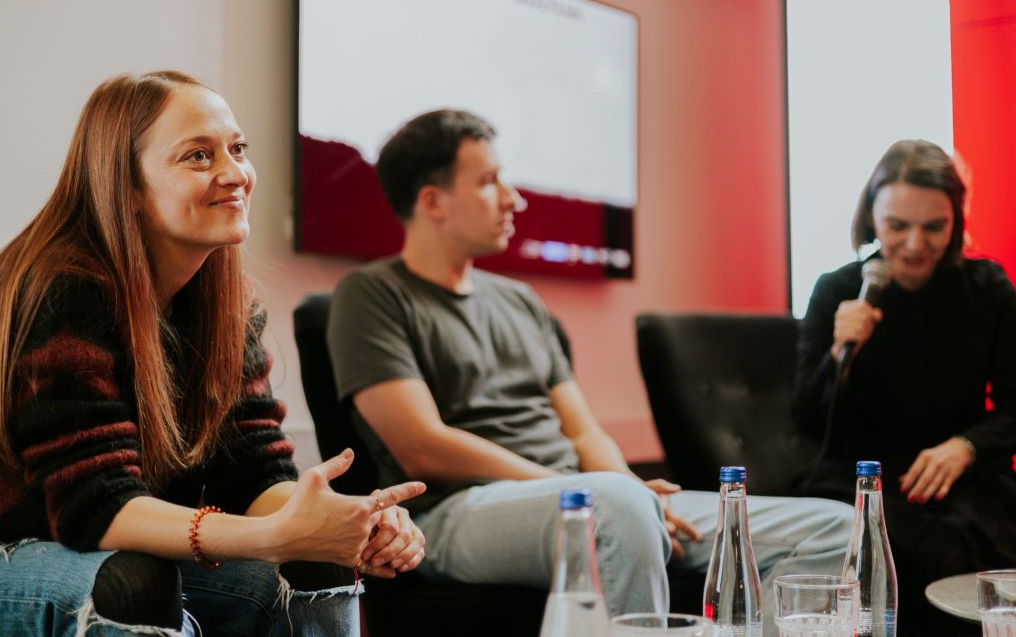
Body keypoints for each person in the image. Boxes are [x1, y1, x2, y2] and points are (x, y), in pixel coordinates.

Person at [327, 108, 854, 634]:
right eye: (489, 182)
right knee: (615, 509)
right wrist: (592, 489)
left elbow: (581, 428)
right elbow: (423, 443)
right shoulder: (372, 295)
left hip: (587, 494)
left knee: (835, 528)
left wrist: (632, 488)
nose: (515, 197)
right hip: (456, 511)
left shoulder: (521, 301)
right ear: (432, 201)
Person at [0, 71, 426, 637]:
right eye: (198, 155)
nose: (235, 173)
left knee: (314, 562)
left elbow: (254, 474)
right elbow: (93, 507)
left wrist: (345, 523)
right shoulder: (60, 288)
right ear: (124, 185)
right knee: (135, 583)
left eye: (237, 149)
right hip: (18, 545)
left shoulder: (227, 302)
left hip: (105, 541)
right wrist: (276, 535)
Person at [792, 139, 1016, 632]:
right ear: (871, 218)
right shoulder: (837, 289)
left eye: (934, 227)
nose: (915, 245)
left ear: (955, 220)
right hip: (863, 481)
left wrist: (966, 446)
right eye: (898, 227)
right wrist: (838, 354)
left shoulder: (987, 290)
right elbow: (807, 418)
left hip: (956, 481)